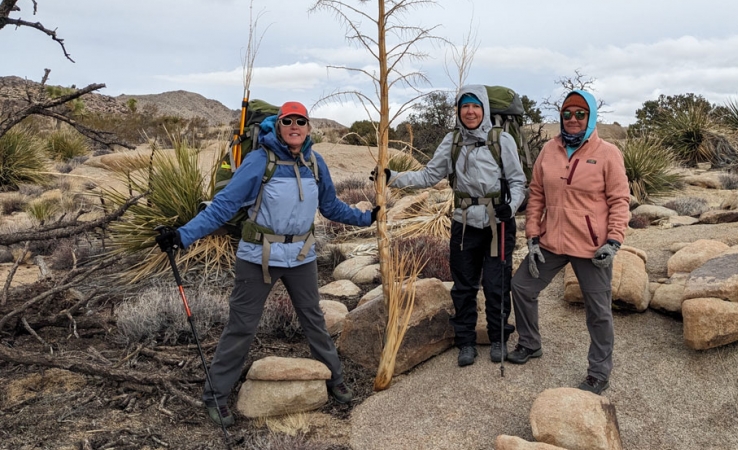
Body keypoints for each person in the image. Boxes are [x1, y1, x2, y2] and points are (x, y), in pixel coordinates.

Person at [155, 101, 379, 427]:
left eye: (301, 121)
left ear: (308, 127)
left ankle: (335, 379)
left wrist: (366, 217)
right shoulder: (260, 161)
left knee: (314, 321)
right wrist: (182, 235)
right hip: (258, 257)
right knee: (242, 327)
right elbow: (223, 207)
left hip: (301, 257)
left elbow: (330, 207)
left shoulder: (315, 163)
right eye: (288, 120)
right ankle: (215, 396)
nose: (295, 126)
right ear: (279, 124)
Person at [373, 85, 526, 367]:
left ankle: (498, 338)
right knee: (464, 285)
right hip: (464, 223)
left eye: (475, 106)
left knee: (496, 284)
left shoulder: (501, 140)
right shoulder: (452, 141)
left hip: (498, 223)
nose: (470, 111)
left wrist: (512, 206)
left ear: (484, 110)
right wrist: (392, 176)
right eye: (464, 106)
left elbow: (518, 182)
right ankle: (465, 341)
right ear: (458, 110)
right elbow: (429, 176)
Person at [507, 90, 629, 395]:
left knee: (598, 311)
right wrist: (533, 236)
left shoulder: (607, 153)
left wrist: (613, 241)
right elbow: (536, 194)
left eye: (580, 114)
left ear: (590, 118)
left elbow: (620, 200)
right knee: (522, 287)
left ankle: (599, 372)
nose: (572, 120)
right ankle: (530, 343)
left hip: (592, 248)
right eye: (567, 114)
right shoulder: (549, 150)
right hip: (551, 241)